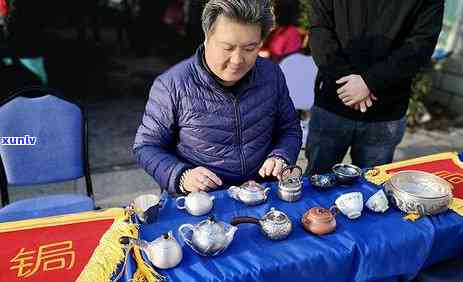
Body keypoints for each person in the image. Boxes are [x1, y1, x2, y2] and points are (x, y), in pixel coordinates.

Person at [133, 0, 302, 196]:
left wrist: (281, 156)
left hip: (261, 192)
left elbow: (289, 129)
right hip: (203, 199)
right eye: (227, 48)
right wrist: (182, 176)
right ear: (206, 37)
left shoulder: (271, 74)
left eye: (250, 48)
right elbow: (146, 146)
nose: (238, 60)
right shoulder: (172, 85)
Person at [305, 0, 444, 175]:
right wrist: (351, 83)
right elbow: (320, 31)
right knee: (317, 181)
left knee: (372, 189)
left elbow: (421, 44)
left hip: (384, 110)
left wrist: (369, 82)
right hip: (335, 102)